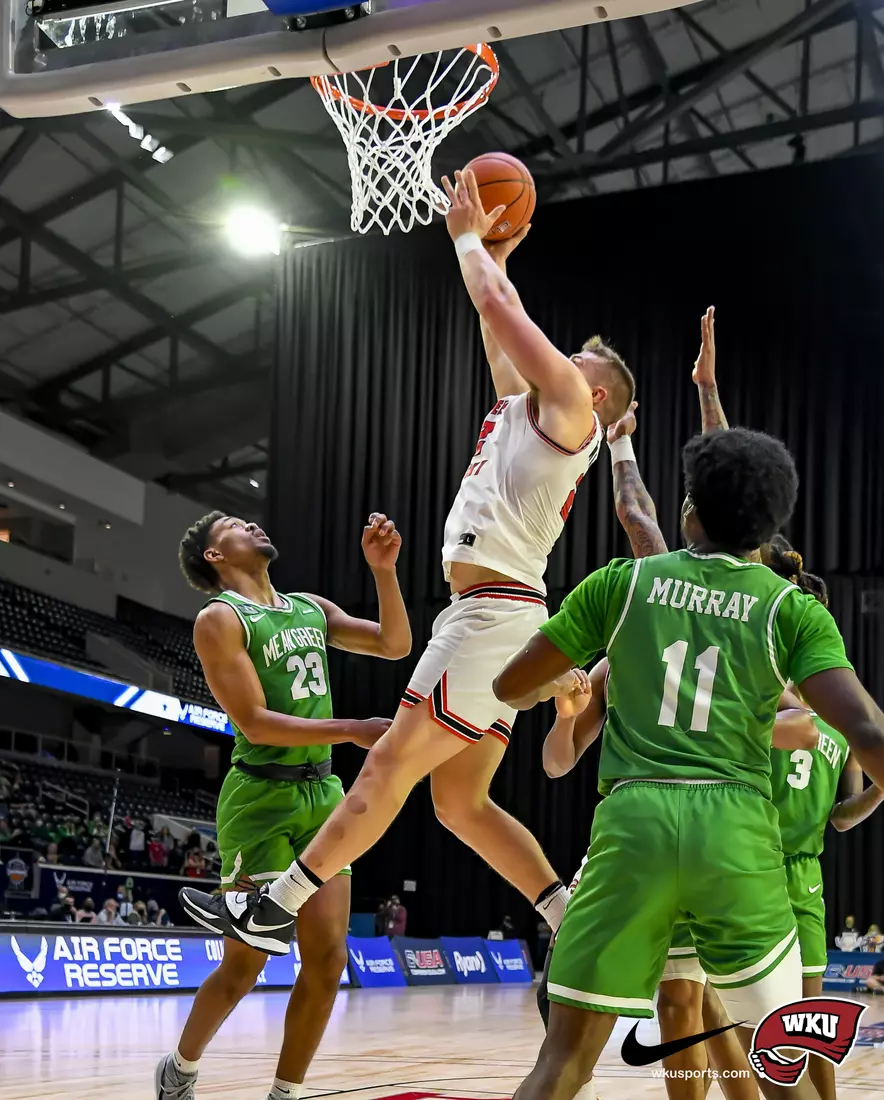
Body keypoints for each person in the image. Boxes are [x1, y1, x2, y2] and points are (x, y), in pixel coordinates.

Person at [181, 167, 635, 956]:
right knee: (459, 805)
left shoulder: (568, 405)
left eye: (577, 361)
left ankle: (278, 902)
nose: (561, 357)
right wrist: (497, 254)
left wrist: (466, 240)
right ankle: (571, 920)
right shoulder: (528, 409)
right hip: (493, 613)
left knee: (390, 762)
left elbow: (499, 310)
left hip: (495, 615)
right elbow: (497, 322)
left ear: (596, 397)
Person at [493, 422, 884, 1100]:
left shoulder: (624, 584)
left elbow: (508, 689)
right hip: (734, 833)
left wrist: (558, 684)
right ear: (767, 534)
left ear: (690, 514)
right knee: (784, 1072)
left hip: (633, 822)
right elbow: (864, 727)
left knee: (562, 1065)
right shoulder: (791, 611)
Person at [158, 509, 411, 1100]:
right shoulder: (219, 618)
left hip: (323, 793)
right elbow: (253, 721)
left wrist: (384, 571)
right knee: (246, 964)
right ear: (215, 556)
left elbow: (395, 644)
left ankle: (285, 1094)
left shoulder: (310, 608)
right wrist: (349, 728)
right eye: (234, 526)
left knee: (326, 961)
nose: (252, 526)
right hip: (262, 798)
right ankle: (180, 1068)